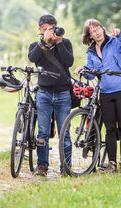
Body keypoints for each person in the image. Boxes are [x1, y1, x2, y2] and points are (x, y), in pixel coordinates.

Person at [76, 18, 121, 173]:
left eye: (98, 29)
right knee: (109, 129)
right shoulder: (90, 51)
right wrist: (83, 69)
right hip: (105, 92)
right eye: (92, 32)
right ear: (89, 36)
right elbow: (91, 74)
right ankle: (112, 164)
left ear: (102, 29)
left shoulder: (115, 42)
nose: (96, 33)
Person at [28, 14, 73, 177]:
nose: (49, 31)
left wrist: (59, 42)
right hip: (44, 94)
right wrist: (43, 42)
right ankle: (42, 167)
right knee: (43, 133)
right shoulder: (35, 45)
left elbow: (68, 62)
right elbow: (33, 58)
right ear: (40, 30)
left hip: (63, 94)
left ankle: (66, 167)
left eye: (51, 28)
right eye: (45, 29)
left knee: (65, 133)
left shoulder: (65, 42)